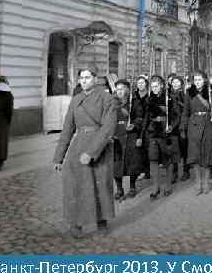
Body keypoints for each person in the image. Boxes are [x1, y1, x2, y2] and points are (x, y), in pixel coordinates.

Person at [53, 67, 117, 238]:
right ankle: (76, 224)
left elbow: (108, 129)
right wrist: (59, 157)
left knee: (100, 185)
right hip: (78, 146)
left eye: (88, 77)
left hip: (99, 147)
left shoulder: (107, 98)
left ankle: (102, 222)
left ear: (95, 79)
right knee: (74, 185)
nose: (84, 81)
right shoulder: (76, 100)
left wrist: (91, 152)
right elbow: (67, 129)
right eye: (81, 78)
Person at [182, 71, 212, 195]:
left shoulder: (211, 93)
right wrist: (183, 127)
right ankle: (198, 183)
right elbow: (185, 112)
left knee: (206, 154)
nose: (197, 82)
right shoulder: (189, 94)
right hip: (194, 126)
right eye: (195, 80)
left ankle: (206, 182)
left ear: (204, 80)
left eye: (200, 80)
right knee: (195, 156)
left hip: (208, 125)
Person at [145, 76, 180, 198]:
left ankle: (168, 186)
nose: (154, 89)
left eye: (156, 86)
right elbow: (146, 116)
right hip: (153, 132)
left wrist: (171, 126)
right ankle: (155, 187)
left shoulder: (169, 98)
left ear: (161, 86)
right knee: (153, 159)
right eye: (152, 86)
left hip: (165, 132)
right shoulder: (150, 99)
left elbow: (177, 116)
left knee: (167, 159)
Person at [112, 79, 145, 201]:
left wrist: (134, 125)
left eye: (122, 89)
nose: (119, 91)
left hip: (130, 134)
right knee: (116, 163)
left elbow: (140, 118)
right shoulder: (112, 102)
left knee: (132, 162)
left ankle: (132, 186)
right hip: (116, 134)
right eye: (117, 89)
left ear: (127, 89)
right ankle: (119, 189)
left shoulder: (134, 102)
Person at [169, 75, 189, 181]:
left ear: (181, 84)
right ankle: (174, 172)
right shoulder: (168, 95)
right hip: (172, 126)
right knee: (174, 150)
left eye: (177, 82)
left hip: (182, 125)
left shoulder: (185, 95)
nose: (175, 84)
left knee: (184, 148)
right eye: (174, 82)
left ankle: (186, 170)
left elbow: (186, 110)